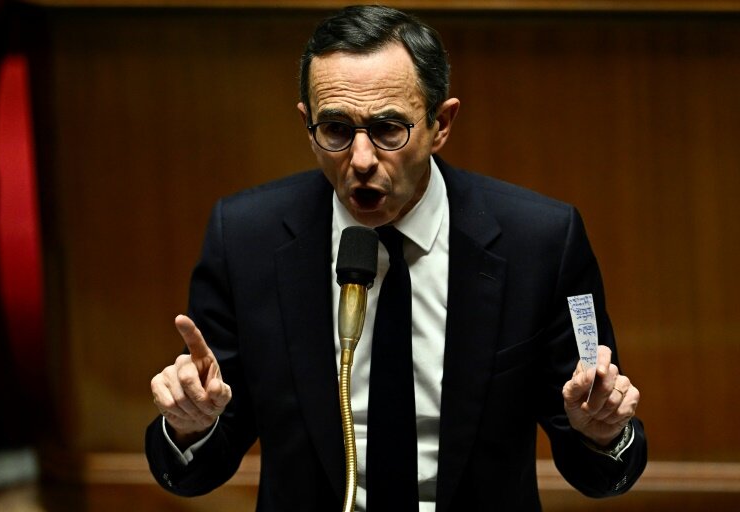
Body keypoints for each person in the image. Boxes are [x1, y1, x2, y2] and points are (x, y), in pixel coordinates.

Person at [146, 5, 647, 511]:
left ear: (441, 123)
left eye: (388, 129)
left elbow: (598, 465)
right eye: (336, 129)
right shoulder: (245, 239)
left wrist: (601, 435)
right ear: (308, 123)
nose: (361, 160)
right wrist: (191, 425)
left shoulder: (538, 242)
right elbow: (199, 468)